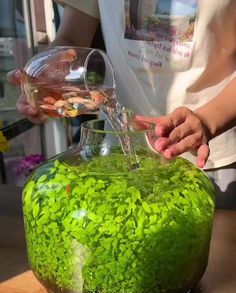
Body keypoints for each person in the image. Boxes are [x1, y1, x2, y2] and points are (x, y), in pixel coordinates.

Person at [7, 1, 236, 209]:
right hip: (120, 155)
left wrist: (208, 120)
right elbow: (70, 38)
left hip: (213, 159)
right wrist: (48, 77)